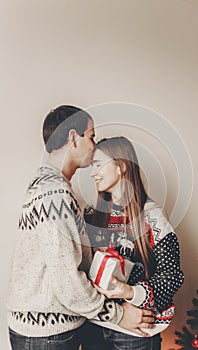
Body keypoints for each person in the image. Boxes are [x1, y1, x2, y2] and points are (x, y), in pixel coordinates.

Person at [6, 106, 156, 350]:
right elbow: (68, 282)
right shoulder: (55, 195)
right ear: (73, 137)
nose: (94, 144)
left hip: (42, 331)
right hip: (48, 335)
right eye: (91, 136)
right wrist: (119, 315)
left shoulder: (46, 186)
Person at [83, 136, 184, 350]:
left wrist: (129, 292)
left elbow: (172, 275)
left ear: (121, 167)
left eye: (98, 165)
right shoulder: (91, 214)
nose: (92, 173)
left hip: (134, 333)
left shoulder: (152, 217)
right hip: (95, 326)